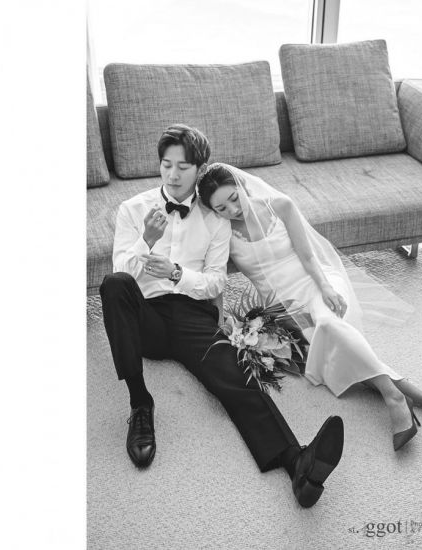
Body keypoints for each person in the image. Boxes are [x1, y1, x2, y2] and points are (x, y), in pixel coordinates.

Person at [99, 124, 344, 508]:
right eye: (166, 165)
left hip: (192, 313)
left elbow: (215, 282)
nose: (173, 175)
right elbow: (122, 277)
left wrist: (177, 274)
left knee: (235, 376)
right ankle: (140, 403)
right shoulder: (133, 210)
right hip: (145, 318)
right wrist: (146, 240)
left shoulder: (215, 218)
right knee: (113, 284)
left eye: (183, 167)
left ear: (200, 169)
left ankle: (296, 463)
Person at [197, 163, 422, 451]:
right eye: (221, 208)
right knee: (337, 352)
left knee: (329, 325)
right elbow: (216, 279)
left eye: (234, 198)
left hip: (318, 283)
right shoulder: (222, 233)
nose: (233, 210)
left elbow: (309, 257)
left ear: (243, 186)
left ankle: (393, 396)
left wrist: (326, 288)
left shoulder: (279, 205)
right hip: (284, 308)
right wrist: (218, 320)